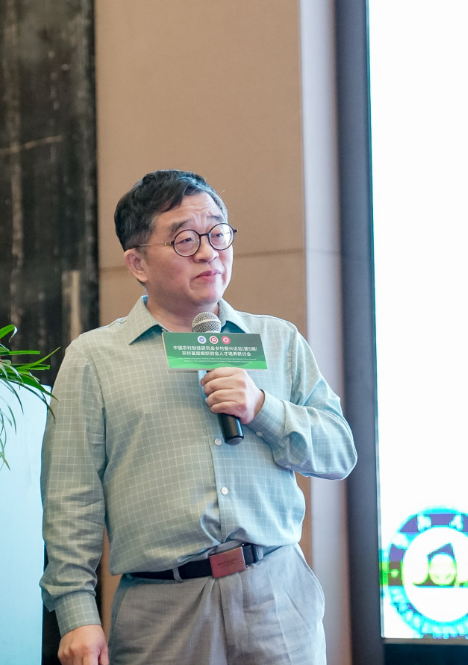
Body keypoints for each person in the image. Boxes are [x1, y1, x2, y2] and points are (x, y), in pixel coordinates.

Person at [41, 170, 357, 665]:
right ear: (138, 263)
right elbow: (70, 498)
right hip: (164, 608)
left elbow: (339, 453)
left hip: (277, 595)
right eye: (185, 240)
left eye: (218, 233)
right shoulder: (95, 358)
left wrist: (262, 408)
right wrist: (76, 613)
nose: (209, 252)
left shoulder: (277, 340)